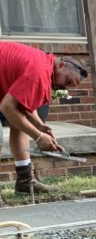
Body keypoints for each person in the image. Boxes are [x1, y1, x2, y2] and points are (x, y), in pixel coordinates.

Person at [0, 42, 87, 199]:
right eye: (67, 81)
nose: (64, 89)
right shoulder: (39, 73)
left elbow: (23, 102)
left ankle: (25, 182)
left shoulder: (44, 66)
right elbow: (7, 107)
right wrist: (38, 137)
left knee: (18, 125)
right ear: (61, 65)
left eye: (69, 87)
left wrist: (40, 126)